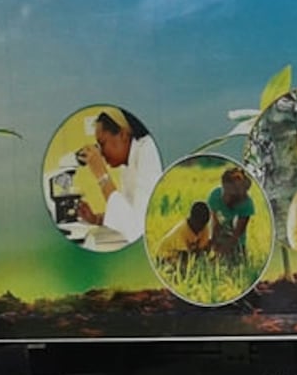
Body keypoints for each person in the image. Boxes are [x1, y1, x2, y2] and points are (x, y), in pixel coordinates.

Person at [77, 107, 162, 244]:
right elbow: (129, 215)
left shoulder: (148, 151)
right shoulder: (127, 165)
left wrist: (101, 174)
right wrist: (96, 219)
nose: (101, 153)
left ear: (123, 135)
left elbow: (137, 228)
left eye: (102, 144)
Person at [207, 166, 254, 259]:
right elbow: (215, 224)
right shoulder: (215, 196)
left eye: (240, 196)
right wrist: (213, 245)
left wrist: (221, 253)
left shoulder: (246, 204)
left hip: (237, 242)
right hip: (221, 237)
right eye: (233, 194)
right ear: (225, 187)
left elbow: (237, 234)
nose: (237, 199)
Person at [156, 201, 212, 268]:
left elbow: (202, 249)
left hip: (182, 255)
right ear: (192, 218)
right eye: (199, 224)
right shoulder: (181, 231)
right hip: (165, 255)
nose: (201, 228)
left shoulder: (204, 227)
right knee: (180, 268)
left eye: (203, 225)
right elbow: (183, 257)